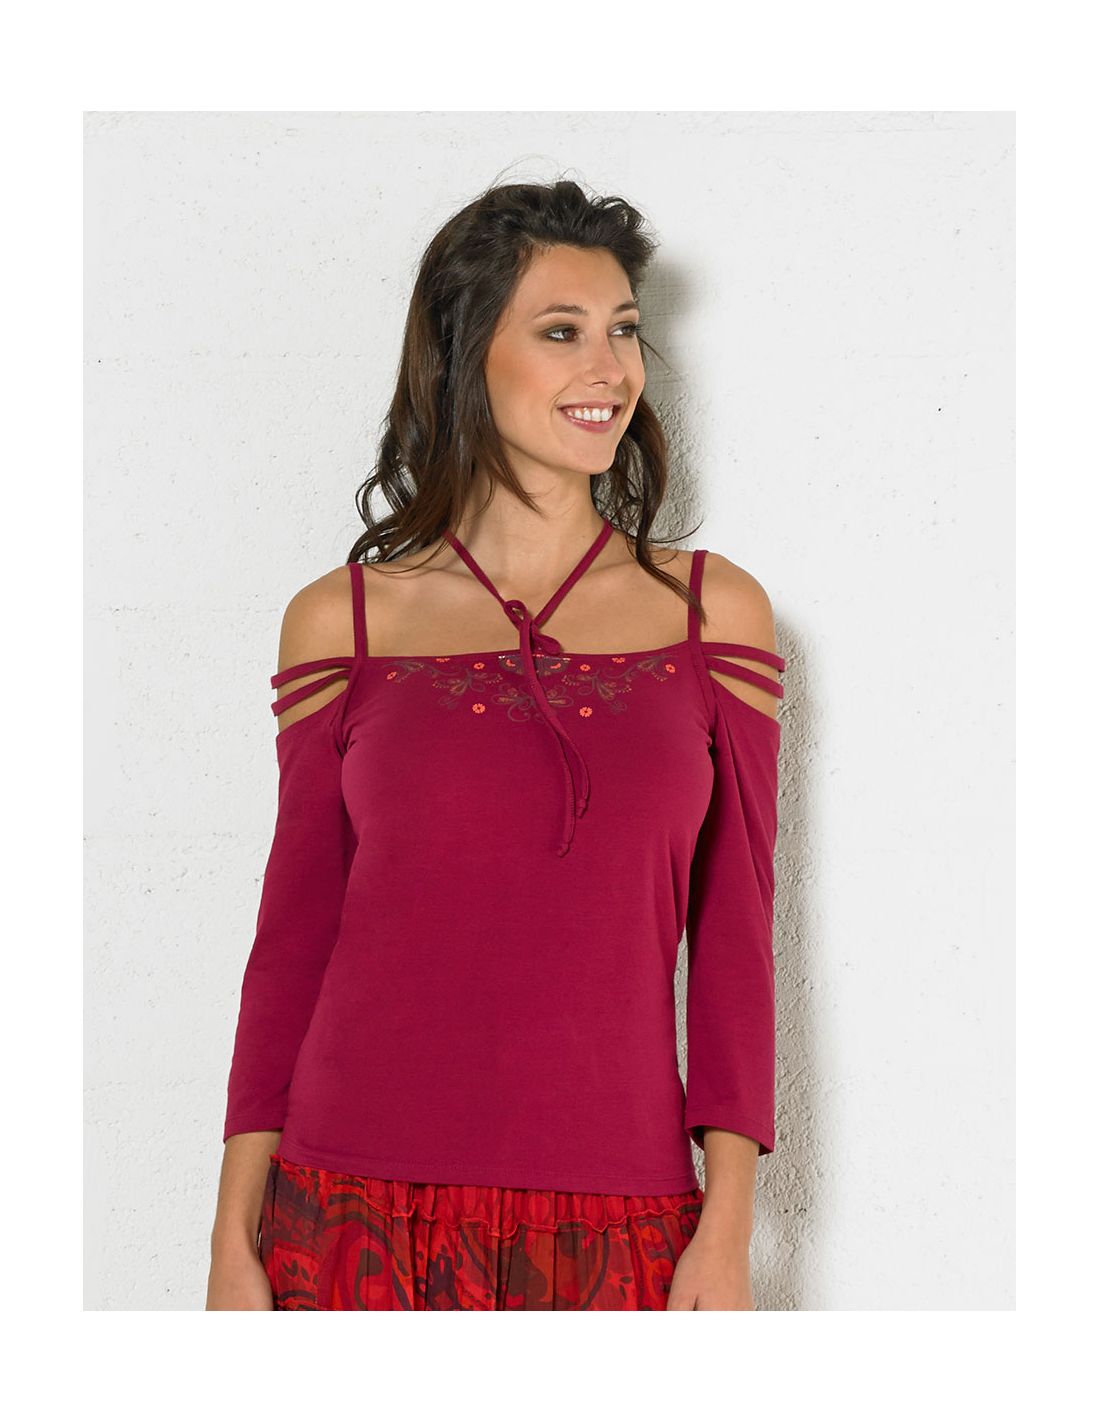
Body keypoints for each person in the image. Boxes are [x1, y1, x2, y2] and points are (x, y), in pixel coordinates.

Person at [205, 178, 785, 1311]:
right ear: (465, 356)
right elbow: (293, 941)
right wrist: (233, 1236)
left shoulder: (712, 613)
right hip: (347, 1204)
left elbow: (735, 939)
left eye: (624, 331)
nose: (610, 369)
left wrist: (726, 1232)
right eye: (562, 332)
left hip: (620, 1208)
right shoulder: (343, 621)